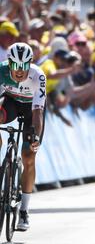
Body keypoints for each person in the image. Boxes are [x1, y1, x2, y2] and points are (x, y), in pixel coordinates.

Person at [0, 43, 46, 231]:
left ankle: (24, 210)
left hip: (31, 111)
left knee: (28, 157)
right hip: (11, 103)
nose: (20, 71)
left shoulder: (38, 76)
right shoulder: (1, 71)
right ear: (9, 63)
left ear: (30, 64)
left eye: (24, 66)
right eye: (16, 66)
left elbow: (38, 112)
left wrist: (34, 135)